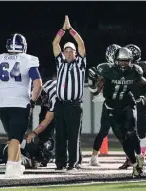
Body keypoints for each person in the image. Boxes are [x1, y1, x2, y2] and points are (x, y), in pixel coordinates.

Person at [0, 33, 42, 178]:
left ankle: (17, 164)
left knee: (13, 137)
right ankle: (10, 166)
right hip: (20, 103)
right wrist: (33, 100)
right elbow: (38, 84)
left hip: (3, 104)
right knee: (16, 138)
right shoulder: (28, 60)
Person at [89, 47, 146, 178]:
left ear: (131, 60)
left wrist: (145, 97)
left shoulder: (135, 70)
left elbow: (145, 85)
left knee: (131, 133)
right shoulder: (107, 70)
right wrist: (92, 81)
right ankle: (135, 165)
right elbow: (94, 91)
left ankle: (139, 156)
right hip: (111, 108)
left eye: (126, 61)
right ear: (115, 60)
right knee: (123, 140)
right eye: (121, 61)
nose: (123, 64)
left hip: (128, 106)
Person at [52, 15, 86, 171]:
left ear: (75, 53)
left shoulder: (80, 64)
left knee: (73, 136)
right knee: (59, 135)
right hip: (60, 104)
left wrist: (70, 30)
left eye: (70, 50)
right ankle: (60, 162)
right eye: (65, 50)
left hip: (74, 105)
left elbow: (81, 43)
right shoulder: (60, 63)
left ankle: (73, 162)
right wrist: (61, 30)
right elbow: (54, 43)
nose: (67, 53)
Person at [118, 44, 146, 169]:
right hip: (129, 103)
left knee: (141, 131)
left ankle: (141, 158)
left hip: (142, 102)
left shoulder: (144, 67)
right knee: (129, 132)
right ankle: (130, 158)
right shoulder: (124, 69)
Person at [88, 44, 121, 166]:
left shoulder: (127, 68)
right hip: (109, 104)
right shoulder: (104, 68)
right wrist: (92, 83)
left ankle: (134, 156)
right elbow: (94, 91)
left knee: (127, 132)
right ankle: (94, 156)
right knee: (103, 131)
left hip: (123, 103)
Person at [26, 79, 57, 166]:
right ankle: (42, 154)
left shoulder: (53, 96)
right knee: (43, 135)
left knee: (62, 132)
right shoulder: (42, 89)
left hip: (63, 107)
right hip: (49, 104)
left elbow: (47, 121)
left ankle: (51, 153)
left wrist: (33, 133)